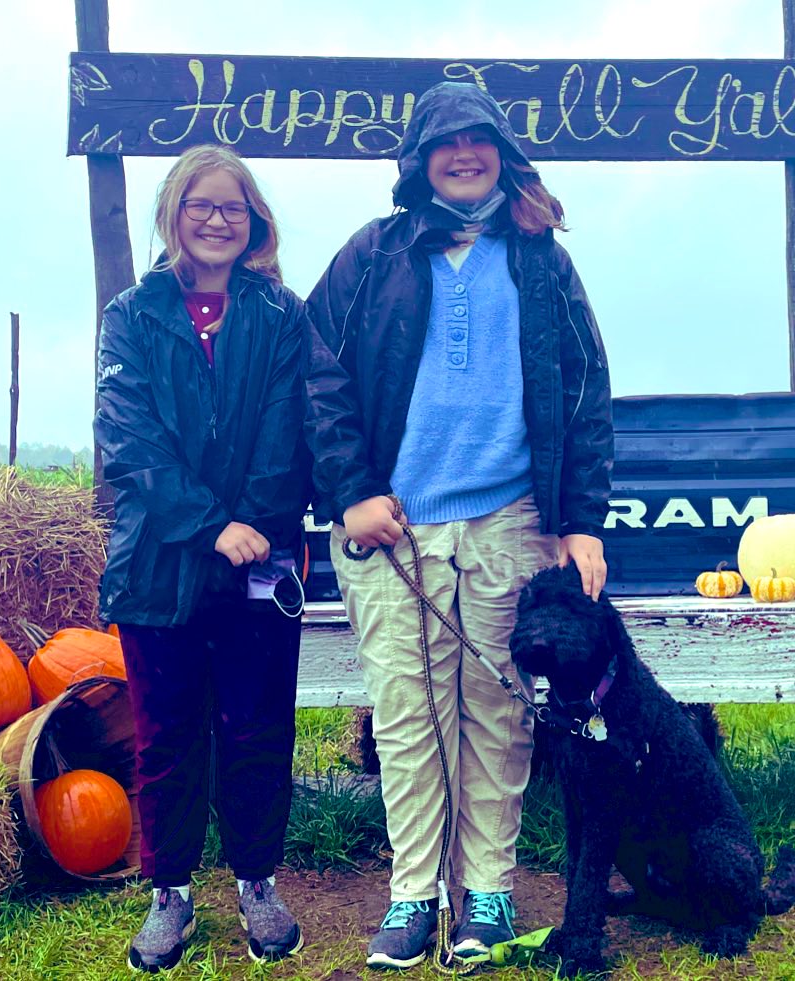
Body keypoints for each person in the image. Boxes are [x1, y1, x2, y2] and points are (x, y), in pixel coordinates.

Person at [303, 81, 614, 969]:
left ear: (503, 152)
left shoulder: (541, 258)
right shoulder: (373, 254)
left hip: (512, 522)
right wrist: (353, 490)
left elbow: (587, 390)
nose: (464, 155)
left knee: (498, 711)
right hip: (393, 530)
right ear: (418, 157)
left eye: (481, 140)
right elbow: (319, 378)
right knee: (409, 714)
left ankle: (487, 891)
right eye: (446, 142)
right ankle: (414, 894)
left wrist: (581, 521)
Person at [95, 144, 317, 972]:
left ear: (253, 220)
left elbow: (286, 431)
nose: (219, 220)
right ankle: (171, 892)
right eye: (202, 206)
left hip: (262, 564)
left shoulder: (280, 314)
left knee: (259, 729)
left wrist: (252, 524)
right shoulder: (132, 315)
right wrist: (209, 525)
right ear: (173, 215)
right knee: (167, 735)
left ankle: (257, 881)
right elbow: (128, 438)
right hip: (159, 566)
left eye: (234, 207)